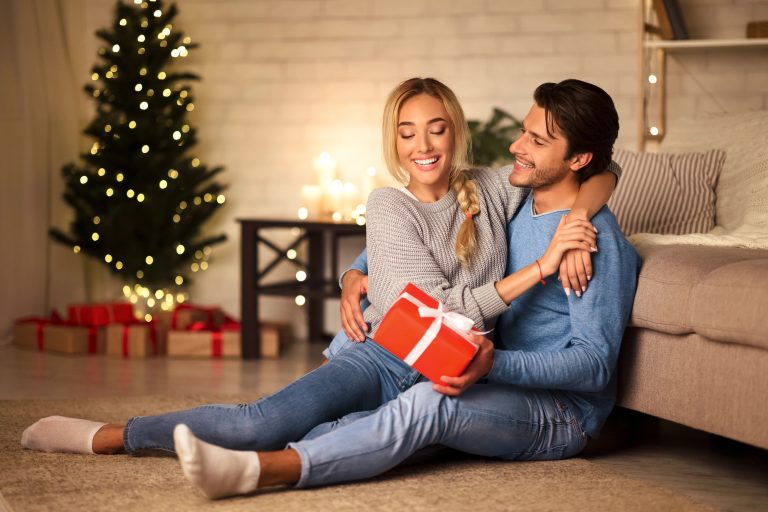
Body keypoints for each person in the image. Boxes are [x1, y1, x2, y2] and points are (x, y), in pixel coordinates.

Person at [20, 78, 626, 500]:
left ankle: (261, 471)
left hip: (512, 394)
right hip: (413, 353)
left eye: (536, 139)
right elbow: (420, 246)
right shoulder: (514, 196)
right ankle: (111, 436)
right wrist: (355, 271)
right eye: (409, 133)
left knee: (398, 418)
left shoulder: (568, 228)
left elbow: (608, 176)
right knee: (269, 416)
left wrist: (582, 224)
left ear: (575, 159)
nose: (518, 146)